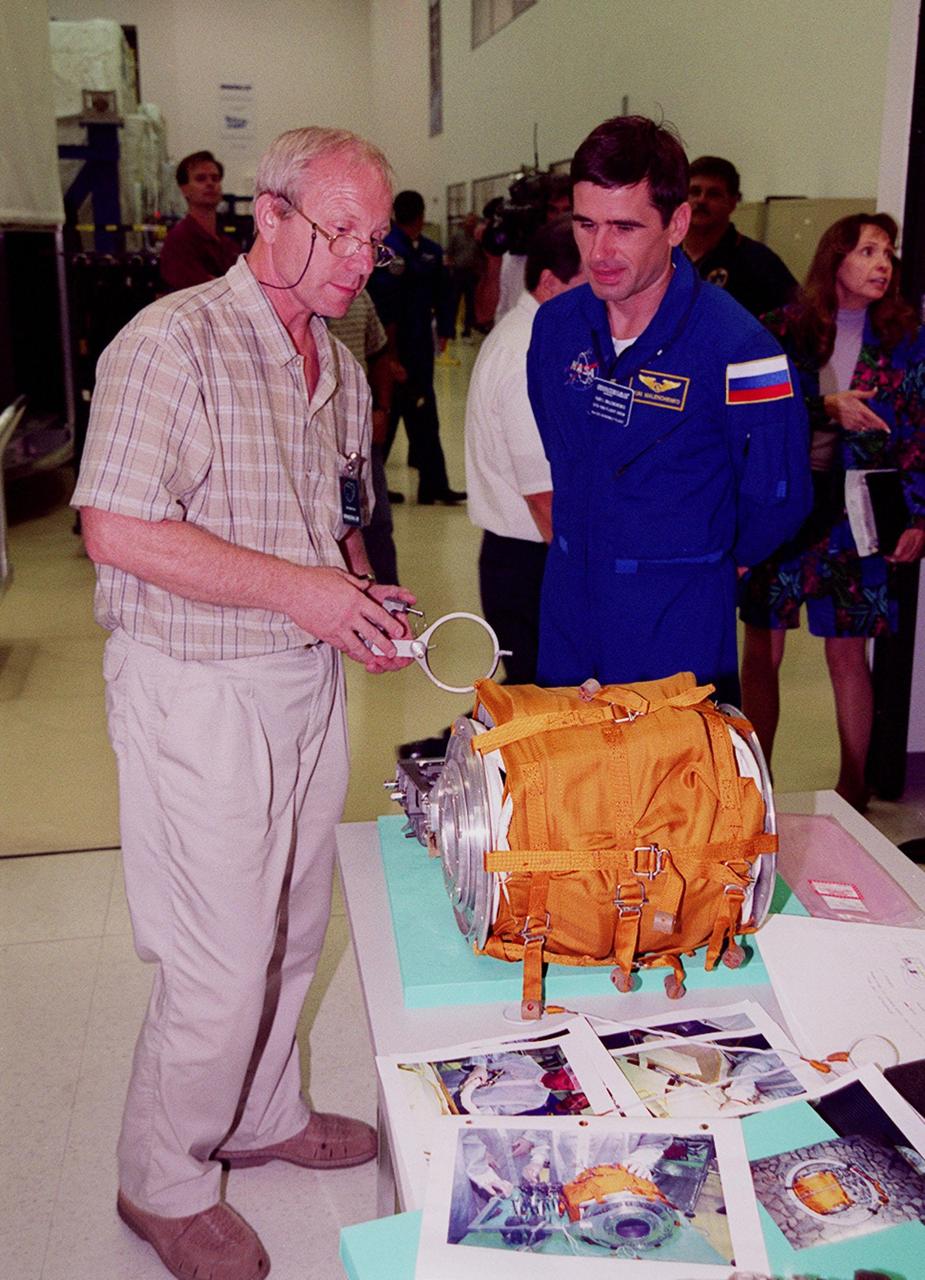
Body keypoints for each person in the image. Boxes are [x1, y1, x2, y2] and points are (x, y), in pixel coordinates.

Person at [72, 126, 417, 1280]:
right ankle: (161, 1178)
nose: (362, 259)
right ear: (266, 215)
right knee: (217, 962)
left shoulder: (331, 352)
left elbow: (325, 519)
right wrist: (303, 588)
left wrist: (357, 594)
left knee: (292, 926)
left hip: (302, 672)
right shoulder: (171, 343)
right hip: (196, 686)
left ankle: (265, 1112)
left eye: (375, 238)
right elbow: (115, 526)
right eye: (340, 232)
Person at [526, 116, 812, 702]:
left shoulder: (740, 349)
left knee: (669, 785)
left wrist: (703, 562)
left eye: (625, 227)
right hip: (568, 604)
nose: (599, 251)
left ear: (676, 223)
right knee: (570, 783)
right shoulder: (557, 327)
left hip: (677, 614)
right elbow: (558, 441)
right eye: (585, 224)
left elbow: (778, 498)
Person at [739, 213, 925, 809]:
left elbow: (919, 431)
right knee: (762, 649)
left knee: (849, 650)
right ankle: (752, 784)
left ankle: (854, 786)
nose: (882, 264)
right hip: (786, 508)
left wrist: (918, 515)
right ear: (835, 258)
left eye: (888, 254)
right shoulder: (781, 329)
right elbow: (751, 415)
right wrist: (825, 407)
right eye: (868, 250)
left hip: (861, 512)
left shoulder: (905, 338)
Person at [465, 216, 586, 684]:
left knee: (537, 696)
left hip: (532, 557)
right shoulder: (525, 355)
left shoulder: (539, 337)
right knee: (546, 703)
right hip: (532, 562)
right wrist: (590, 582)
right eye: (589, 284)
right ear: (551, 283)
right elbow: (543, 498)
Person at [366, 189, 466, 504]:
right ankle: (373, 488)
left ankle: (432, 485)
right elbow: (385, 309)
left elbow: (446, 294)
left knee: (424, 416)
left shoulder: (430, 252)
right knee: (387, 417)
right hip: (391, 348)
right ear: (422, 215)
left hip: (419, 347)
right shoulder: (387, 252)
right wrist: (389, 356)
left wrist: (445, 330)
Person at [328, 288, 401, 583]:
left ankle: (387, 607)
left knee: (376, 524)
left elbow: (379, 353)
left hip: (359, 439)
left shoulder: (358, 297)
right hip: (312, 439)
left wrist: (382, 408)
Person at [684, 155, 796, 318]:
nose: (701, 200)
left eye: (713, 194)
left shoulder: (759, 261)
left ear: (733, 202)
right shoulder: (665, 255)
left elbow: (795, 316)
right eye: (694, 192)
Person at [158, 150, 241, 292]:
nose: (210, 183)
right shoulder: (179, 241)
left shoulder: (228, 245)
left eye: (215, 178)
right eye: (201, 179)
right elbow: (201, 290)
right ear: (184, 189)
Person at [447, 211, 482, 338]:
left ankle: (467, 331)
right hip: (457, 273)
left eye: (473, 222)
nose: (471, 224)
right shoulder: (457, 236)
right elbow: (449, 253)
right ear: (465, 222)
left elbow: (479, 255)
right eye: (469, 221)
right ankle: (450, 330)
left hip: (471, 274)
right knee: (454, 303)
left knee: (470, 304)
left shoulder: (477, 238)